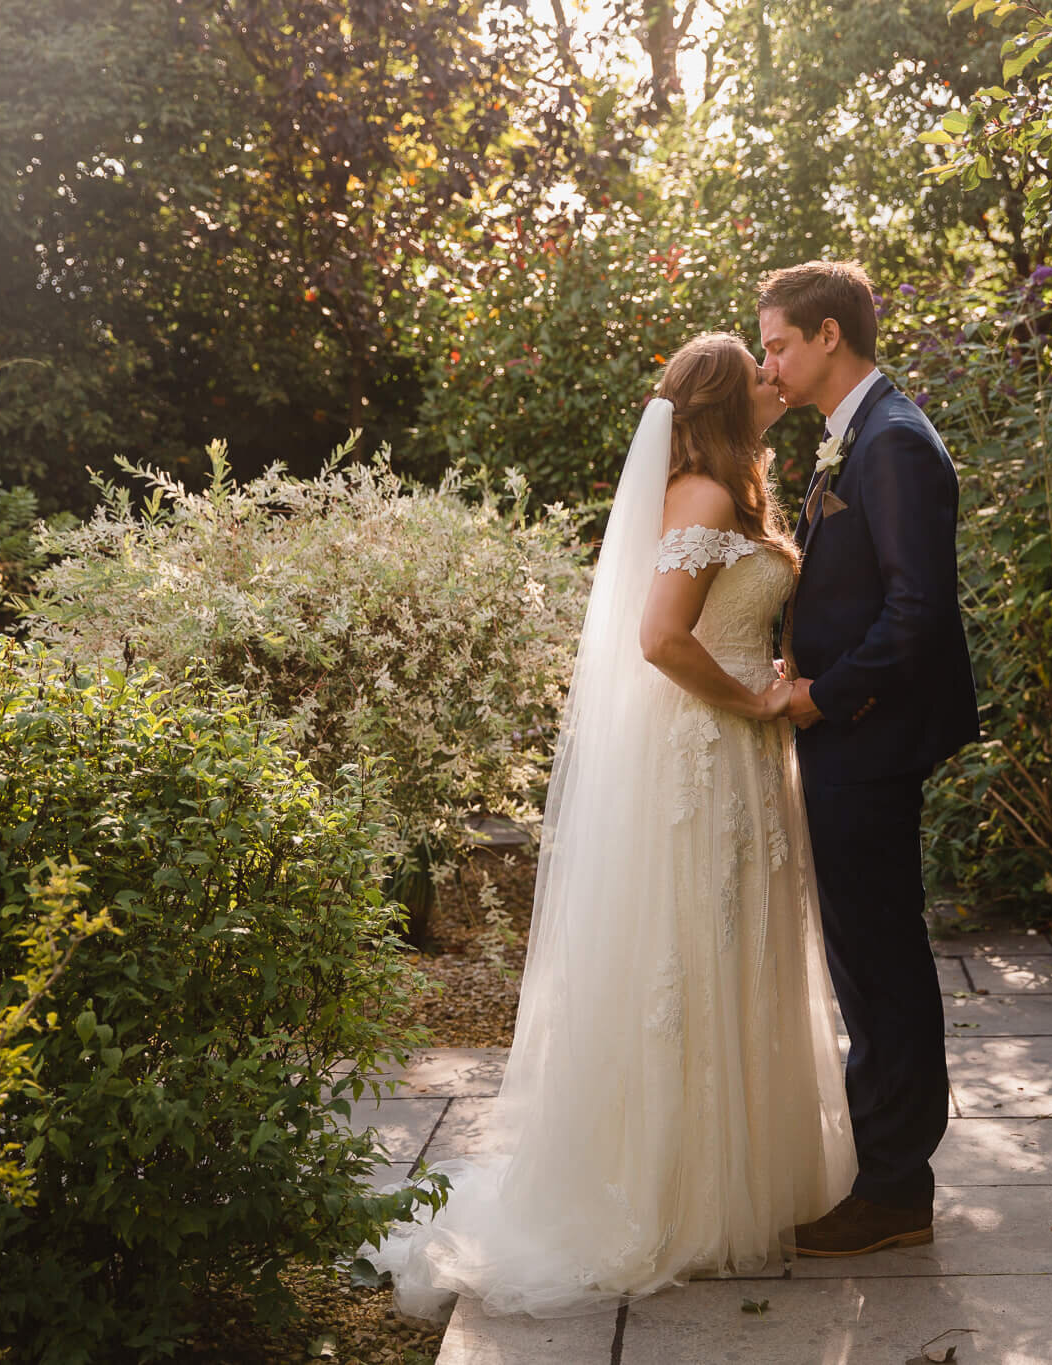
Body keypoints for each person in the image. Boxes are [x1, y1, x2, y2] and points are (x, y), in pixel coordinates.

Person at [366, 333, 855, 1320]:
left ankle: (738, 1177)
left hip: (740, 761)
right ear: (722, 406)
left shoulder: (734, 492)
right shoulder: (704, 498)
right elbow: (660, 638)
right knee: (691, 955)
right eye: (757, 372)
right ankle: (674, 1194)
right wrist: (753, 703)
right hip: (705, 752)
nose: (774, 378)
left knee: (733, 952)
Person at [757, 260, 981, 1258]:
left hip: (866, 739)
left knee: (879, 962)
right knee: (864, 959)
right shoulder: (864, 434)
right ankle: (882, 1168)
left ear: (829, 337)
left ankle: (894, 1187)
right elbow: (862, 596)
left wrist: (822, 694)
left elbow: (919, 615)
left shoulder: (891, 443)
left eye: (778, 345)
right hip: (852, 733)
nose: (770, 363)